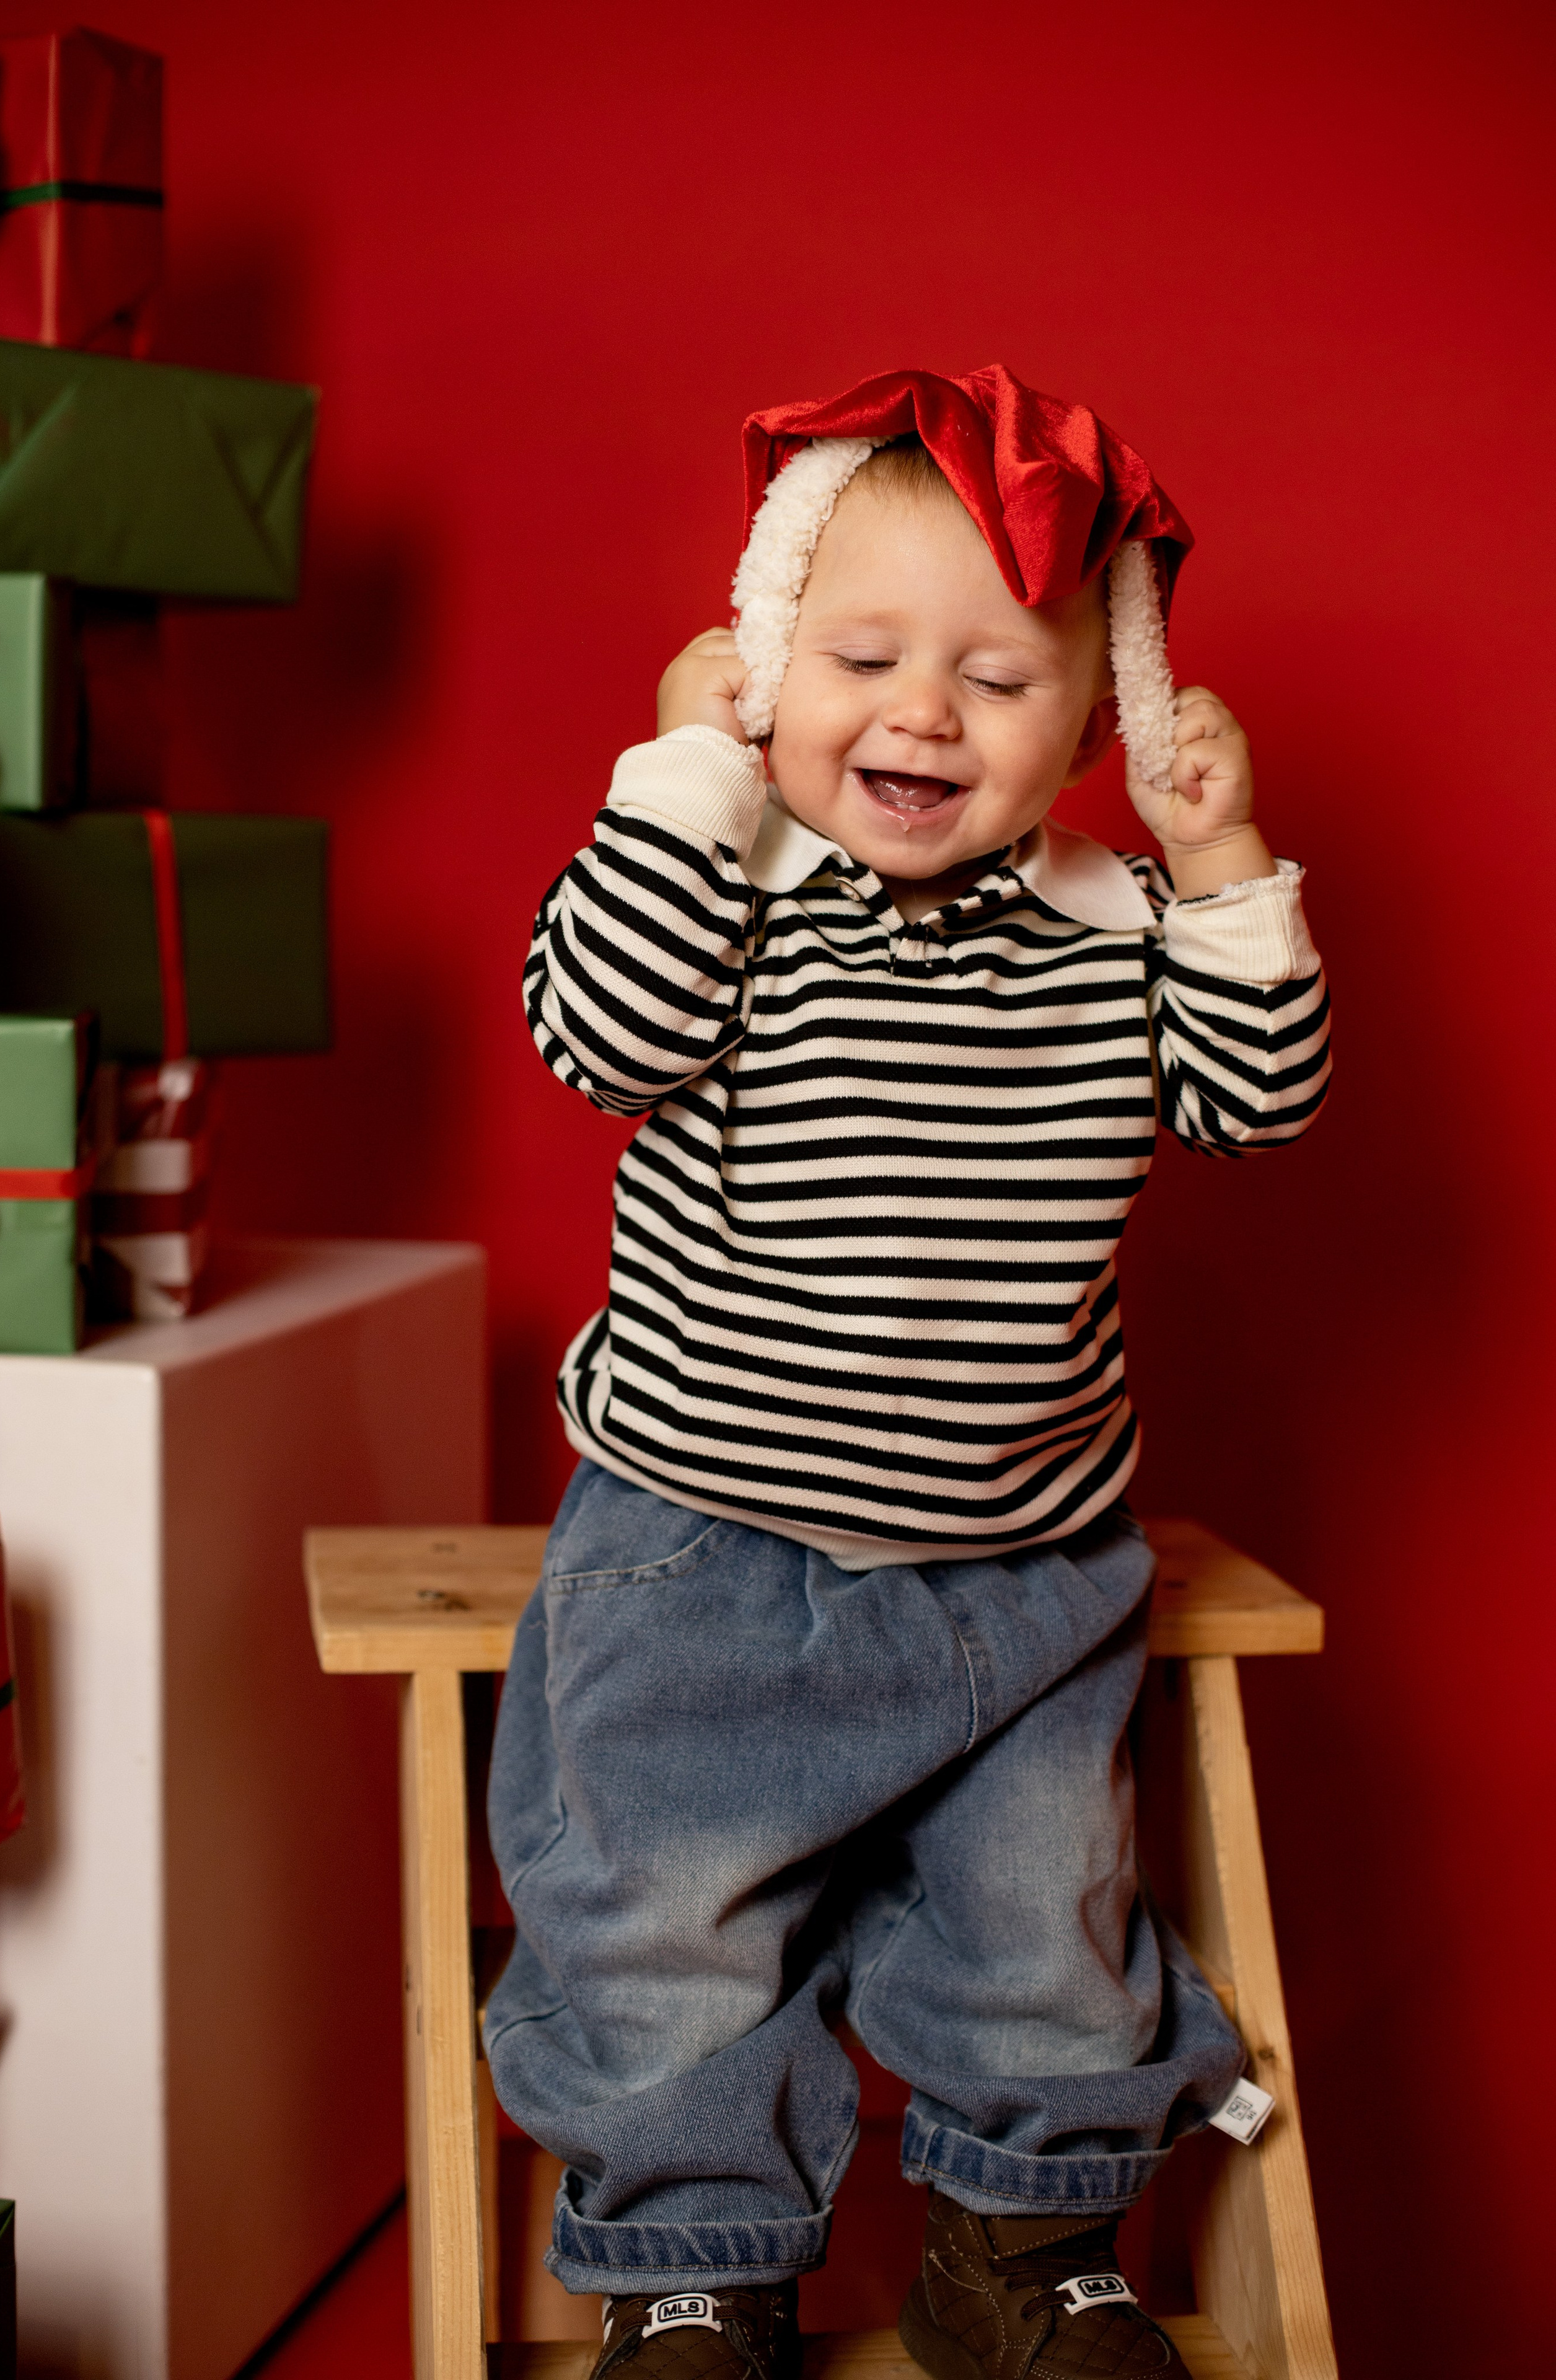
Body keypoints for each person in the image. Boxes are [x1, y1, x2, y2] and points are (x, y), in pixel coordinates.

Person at [486, 366, 1330, 2380]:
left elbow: (1257, 1101)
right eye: (859, 655)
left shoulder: (1115, 923)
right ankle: (694, 2272)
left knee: (1045, 1922)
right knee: (661, 1916)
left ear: (1099, 717)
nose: (925, 712)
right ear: (768, 658)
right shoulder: (732, 891)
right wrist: (685, 779)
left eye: (1004, 677)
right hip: (706, 1543)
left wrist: (1224, 875)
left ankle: (1019, 2251)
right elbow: (595, 1036)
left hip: (1019, 1574)